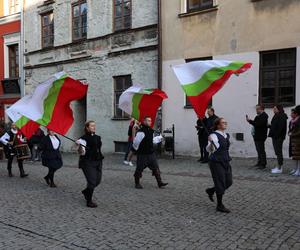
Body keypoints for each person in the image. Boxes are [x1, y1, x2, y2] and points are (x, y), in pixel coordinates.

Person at [205, 118, 232, 213]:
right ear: (218, 125)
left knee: (228, 181)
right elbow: (210, 149)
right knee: (220, 182)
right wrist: (211, 143)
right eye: (223, 122)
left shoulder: (226, 135)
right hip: (216, 161)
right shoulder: (214, 135)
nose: (225, 124)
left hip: (225, 160)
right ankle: (219, 205)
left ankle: (211, 190)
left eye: (226, 122)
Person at [133, 116, 168, 189]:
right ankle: (137, 183)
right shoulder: (141, 131)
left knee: (155, 168)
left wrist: (160, 138)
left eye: (150, 121)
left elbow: (153, 140)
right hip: (142, 154)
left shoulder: (151, 130)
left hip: (151, 153)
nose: (150, 122)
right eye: (148, 120)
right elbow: (136, 142)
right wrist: (136, 149)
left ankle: (160, 183)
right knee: (139, 169)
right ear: (144, 121)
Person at [76, 121, 104, 208]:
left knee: (97, 181)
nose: (94, 127)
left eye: (94, 126)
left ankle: (86, 191)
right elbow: (82, 152)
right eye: (92, 126)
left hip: (98, 161)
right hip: (88, 162)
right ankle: (89, 201)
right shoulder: (82, 139)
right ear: (87, 128)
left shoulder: (97, 137)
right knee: (92, 181)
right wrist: (79, 146)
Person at [246, 105, 269, 169]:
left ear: (261, 109)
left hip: (261, 135)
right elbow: (256, 123)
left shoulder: (264, 116)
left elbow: (258, 124)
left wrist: (250, 121)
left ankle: (263, 164)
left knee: (261, 150)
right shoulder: (258, 116)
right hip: (256, 135)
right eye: (256, 109)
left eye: (257, 109)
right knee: (258, 150)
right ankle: (259, 162)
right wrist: (250, 121)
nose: (256, 110)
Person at [268, 105, 288, 174]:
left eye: (275, 109)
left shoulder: (282, 116)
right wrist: (269, 126)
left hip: (278, 137)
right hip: (275, 136)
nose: (273, 110)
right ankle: (278, 166)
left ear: (279, 109)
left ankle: (280, 168)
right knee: (277, 152)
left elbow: (280, 128)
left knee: (278, 152)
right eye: (273, 108)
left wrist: (276, 135)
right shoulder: (276, 115)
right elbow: (274, 126)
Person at [289, 105, 300, 176]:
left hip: (298, 140)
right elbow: (290, 129)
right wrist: (289, 133)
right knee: (295, 156)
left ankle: (298, 169)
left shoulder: (299, 120)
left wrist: (292, 134)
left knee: (298, 156)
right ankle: (295, 168)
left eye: (293, 113)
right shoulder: (292, 121)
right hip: (293, 140)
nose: (291, 114)